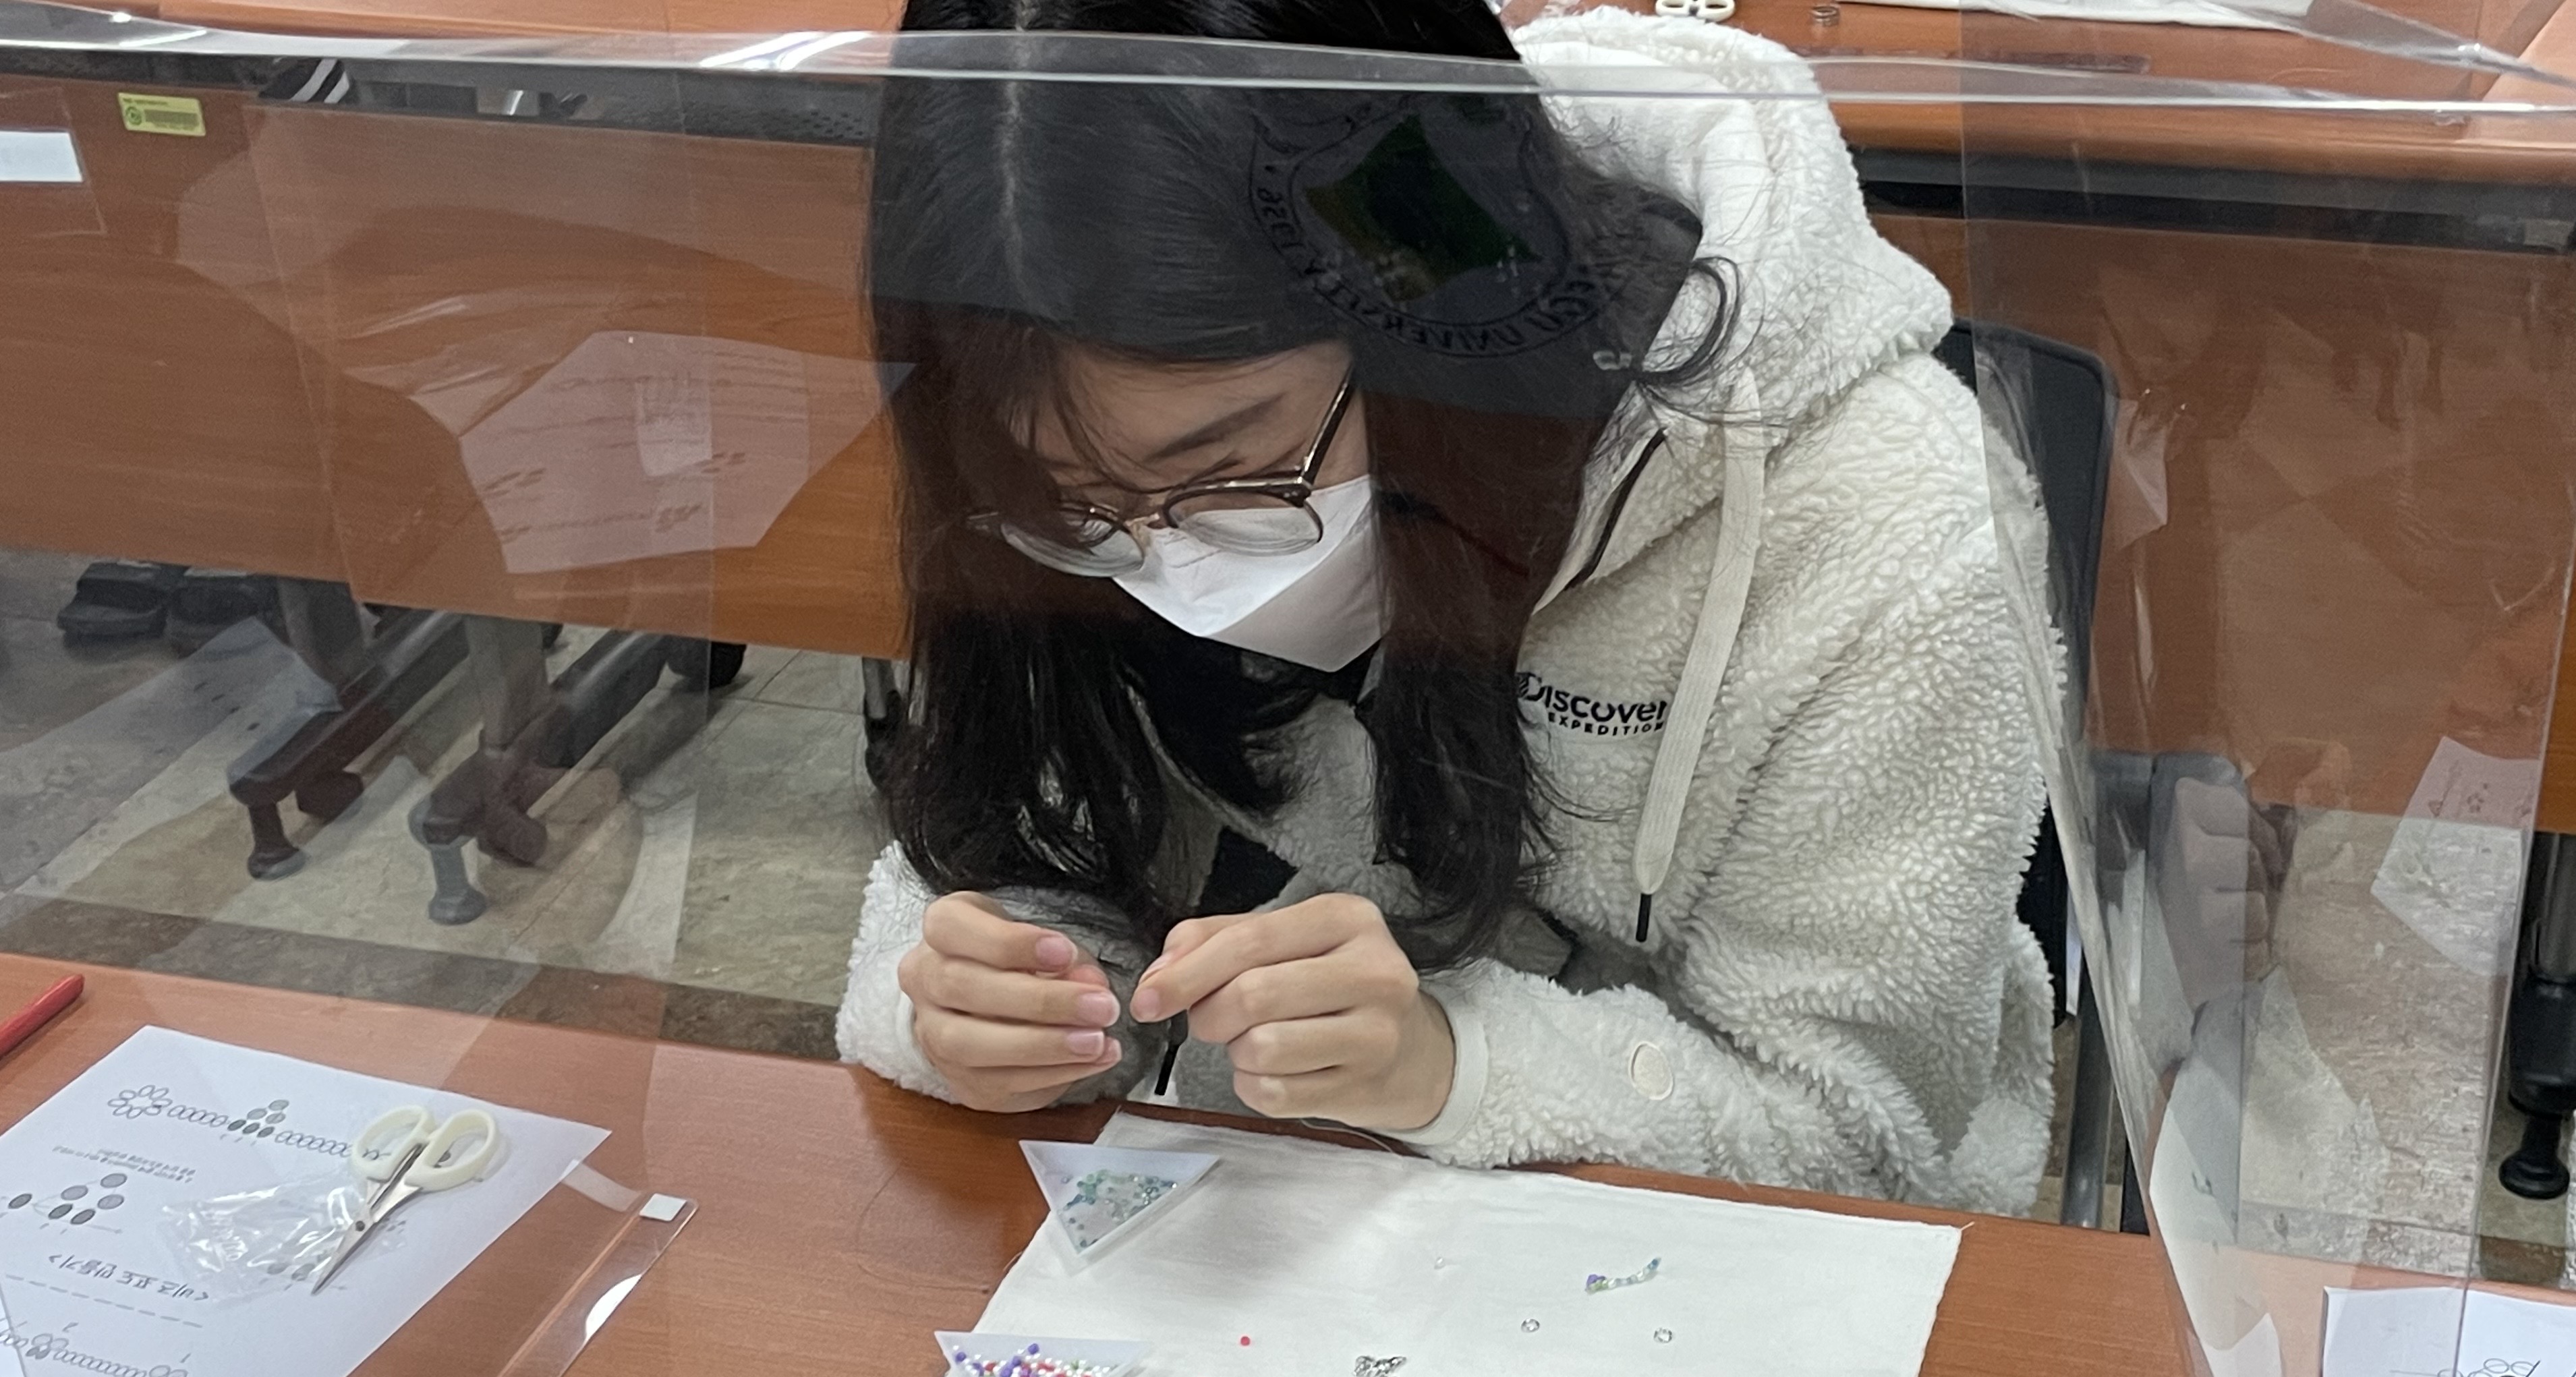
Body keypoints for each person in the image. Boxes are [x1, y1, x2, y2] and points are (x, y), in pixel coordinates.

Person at [836, 0, 2057, 1212]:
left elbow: (1861, 1140)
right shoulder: (1064, 494)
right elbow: (1015, 838)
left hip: (1690, 1254)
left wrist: (1449, 1065)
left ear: (1438, 328)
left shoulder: (1887, 518)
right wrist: (969, 1000)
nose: (1173, 566)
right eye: (1077, 506)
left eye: (1236, 475)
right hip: (1261, 1223)